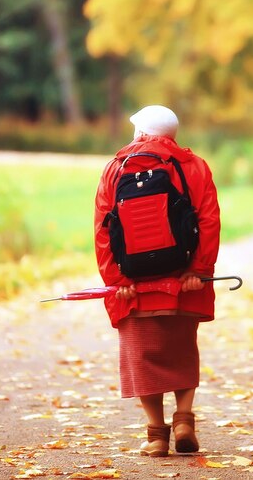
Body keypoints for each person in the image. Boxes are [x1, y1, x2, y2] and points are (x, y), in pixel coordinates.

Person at [94, 105, 220, 457]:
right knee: (181, 351)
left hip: (132, 284)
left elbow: (103, 230)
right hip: (183, 279)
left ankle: (155, 436)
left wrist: (117, 279)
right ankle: (183, 421)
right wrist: (198, 270)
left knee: (141, 357)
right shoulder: (194, 166)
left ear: (140, 132)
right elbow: (209, 221)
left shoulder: (114, 168)